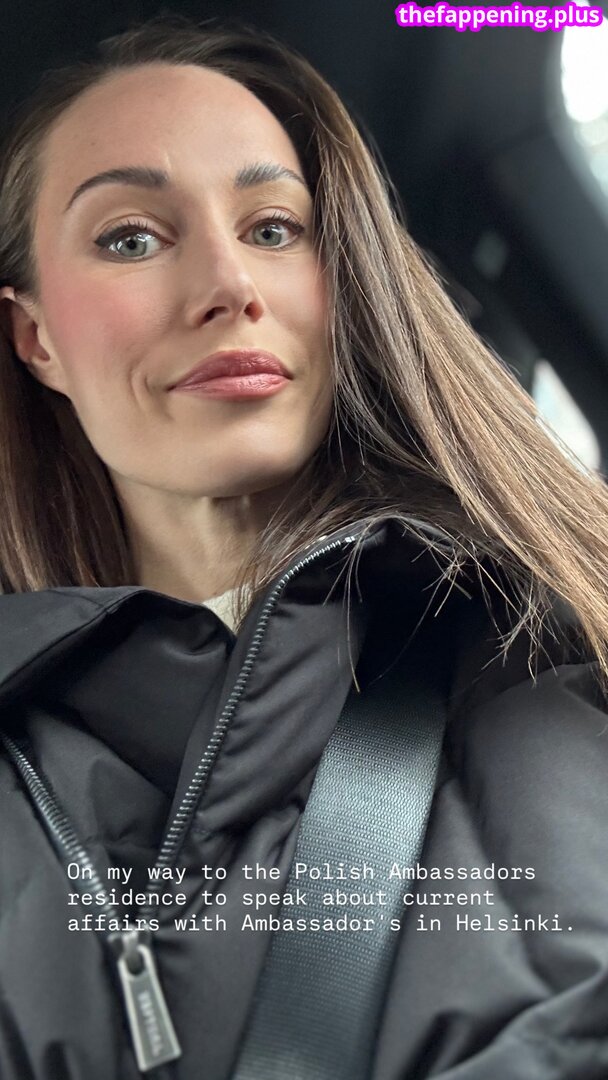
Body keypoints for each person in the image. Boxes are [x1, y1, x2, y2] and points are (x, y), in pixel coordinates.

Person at [0, 13, 607, 1080]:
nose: (229, 284)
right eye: (131, 238)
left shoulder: (558, 653)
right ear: (37, 338)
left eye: (274, 228)